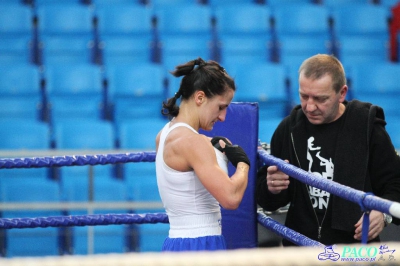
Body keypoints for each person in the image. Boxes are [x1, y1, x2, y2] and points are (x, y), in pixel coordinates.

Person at [256, 54, 400, 246]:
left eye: (320, 98)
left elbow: (395, 184)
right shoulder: (289, 129)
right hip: (301, 251)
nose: (309, 106)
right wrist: (271, 188)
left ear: (342, 93)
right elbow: (270, 201)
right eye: (303, 96)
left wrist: (382, 214)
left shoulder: (367, 128)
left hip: (354, 251)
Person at [156, 57, 251, 251]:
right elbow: (231, 198)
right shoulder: (192, 142)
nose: (223, 117)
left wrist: (213, 146)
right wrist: (243, 163)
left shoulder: (165, 133)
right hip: (200, 244)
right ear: (200, 98)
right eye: (221, 107)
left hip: (178, 242)